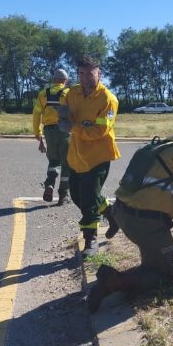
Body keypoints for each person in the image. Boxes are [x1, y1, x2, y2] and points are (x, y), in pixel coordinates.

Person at [87, 129, 173, 312]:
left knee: (155, 258)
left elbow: (162, 195)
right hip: (146, 222)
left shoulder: (153, 150)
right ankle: (112, 282)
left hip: (123, 213)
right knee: (163, 273)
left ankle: (128, 275)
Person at [58, 55, 120, 256]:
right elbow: (64, 113)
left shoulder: (108, 100)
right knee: (77, 195)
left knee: (87, 198)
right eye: (81, 73)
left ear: (99, 73)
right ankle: (111, 213)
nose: (85, 78)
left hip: (98, 156)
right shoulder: (71, 93)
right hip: (76, 155)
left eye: (90, 74)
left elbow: (98, 132)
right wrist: (61, 115)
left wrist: (73, 128)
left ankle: (90, 239)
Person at [32, 68, 71, 205]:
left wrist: (38, 134)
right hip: (65, 131)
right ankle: (63, 195)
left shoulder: (43, 94)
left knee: (54, 160)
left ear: (53, 80)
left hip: (49, 131)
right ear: (65, 81)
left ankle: (50, 184)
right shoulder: (69, 93)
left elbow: (36, 115)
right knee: (67, 164)